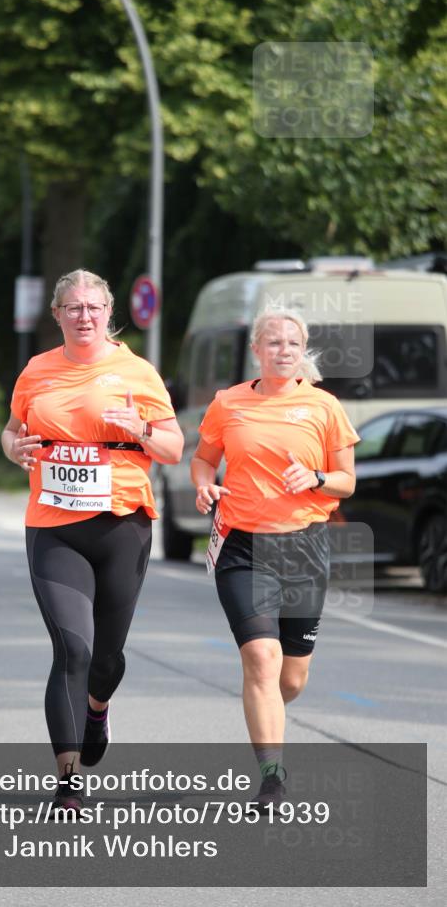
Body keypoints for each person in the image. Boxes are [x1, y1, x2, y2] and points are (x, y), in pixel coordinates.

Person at [2, 269, 183, 814]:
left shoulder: (138, 372)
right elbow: (11, 431)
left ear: (109, 314)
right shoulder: (37, 370)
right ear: (57, 314)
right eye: (74, 308)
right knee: (72, 649)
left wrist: (140, 429)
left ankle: (97, 708)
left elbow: (173, 448)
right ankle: (68, 779)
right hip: (54, 525)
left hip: (122, 526)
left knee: (105, 658)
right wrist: (14, 449)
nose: (85, 316)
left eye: (94, 307)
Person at [190, 305, 359, 810]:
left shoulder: (324, 407)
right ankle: (271, 778)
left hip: (304, 547)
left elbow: (347, 481)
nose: (283, 350)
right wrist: (204, 485)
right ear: (256, 349)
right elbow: (203, 459)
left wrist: (317, 478)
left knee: (291, 678)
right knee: (261, 659)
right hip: (243, 545)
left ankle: (263, 709)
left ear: (301, 350)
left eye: (292, 343)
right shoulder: (228, 403)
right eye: (274, 342)